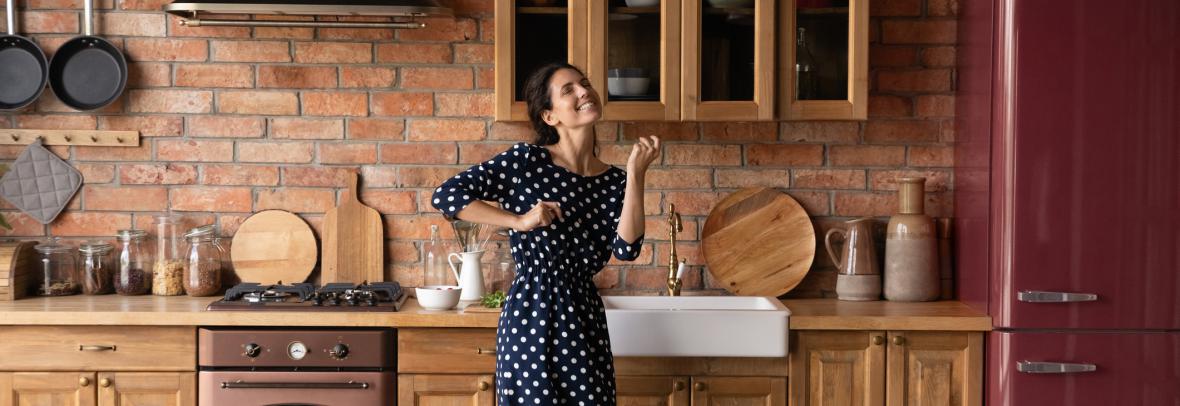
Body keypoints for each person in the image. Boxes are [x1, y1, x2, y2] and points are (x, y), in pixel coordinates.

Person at [431, 62, 660, 405]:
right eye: (569, 90)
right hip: (530, 311)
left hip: (584, 315)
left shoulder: (615, 181)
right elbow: (446, 196)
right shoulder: (526, 161)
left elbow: (627, 249)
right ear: (550, 116)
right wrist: (518, 221)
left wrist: (635, 175)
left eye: (584, 84)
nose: (584, 91)